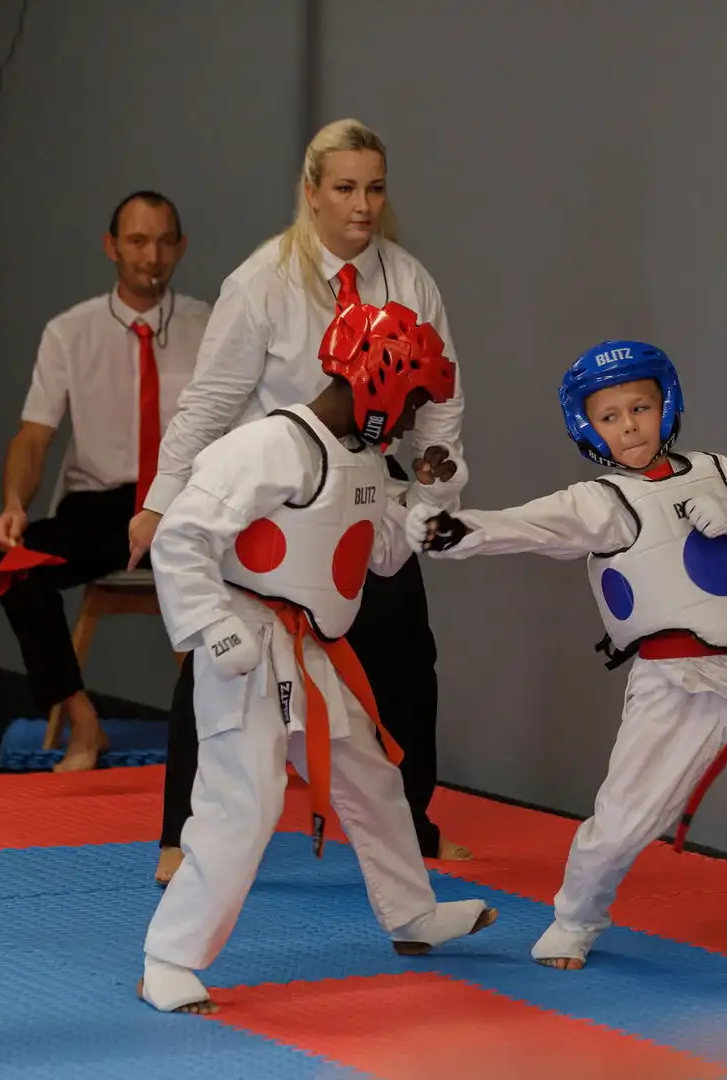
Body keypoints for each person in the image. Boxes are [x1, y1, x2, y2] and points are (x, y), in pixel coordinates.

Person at [405, 340, 727, 974]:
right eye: (610, 415)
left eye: (640, 407)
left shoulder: (721, 471)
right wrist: (451, 529)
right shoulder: (598, 502)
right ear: (587, 427)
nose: (628, 425)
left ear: (666, 406)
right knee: (623, 824)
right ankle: (574, 919)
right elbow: (522, 526)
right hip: (673, 686)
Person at [128, 118, 471, 885]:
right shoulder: (262, 283)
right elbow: (207, 406)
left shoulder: (410, 280)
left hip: (367, 502)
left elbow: (440, 404)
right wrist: (159, 503)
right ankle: (179, 834)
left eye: (375, 188)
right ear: (311, 192)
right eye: (345, 188)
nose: (362, 205)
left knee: (407, 660)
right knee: (215, 667)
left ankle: (412, 821)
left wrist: (437, 486)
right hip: (272, 507)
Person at [137, 299, 496, 1015]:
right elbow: (179, 536)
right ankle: (169, 958)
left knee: (373, 779)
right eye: (412, 399)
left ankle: (411, 915)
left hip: (309, 649)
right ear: (382, 382)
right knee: (245, 801)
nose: (411, 416)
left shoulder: (361, 459)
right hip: (250, 637)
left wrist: (424, 496)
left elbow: (378, 555)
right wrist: (212, 624)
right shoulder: (271, 446)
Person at [0, 192, 210, 771]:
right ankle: (84, 722)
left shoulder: (210, 327)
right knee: (9, 564)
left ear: (181, 248)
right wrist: (14, 504)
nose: (151, 256)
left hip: (181, 504)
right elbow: (33, 436)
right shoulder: (69, 332)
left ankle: (225, 734)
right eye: (137, 241)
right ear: (112, 247)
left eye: (164, 242)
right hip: (101, 508)